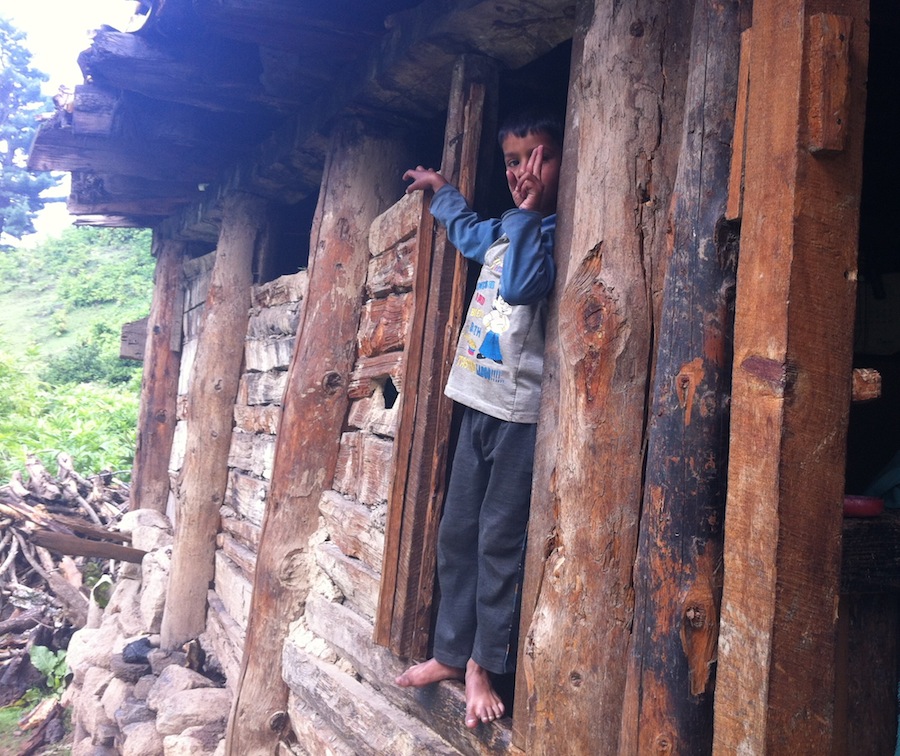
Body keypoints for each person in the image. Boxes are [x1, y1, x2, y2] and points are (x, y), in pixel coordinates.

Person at [395, 109, 562, 730]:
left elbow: (519, 288)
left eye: (536, 156)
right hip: (478, 404)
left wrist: (526, 214)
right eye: (514, 161)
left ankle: (484, 665)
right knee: (456, 533)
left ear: (561, 161)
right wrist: (442, 193)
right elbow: (469, 234)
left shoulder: (546, 233)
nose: (523, 171)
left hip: (522, 416)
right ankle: (448, 651)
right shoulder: (503, 228)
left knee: (498, 540)